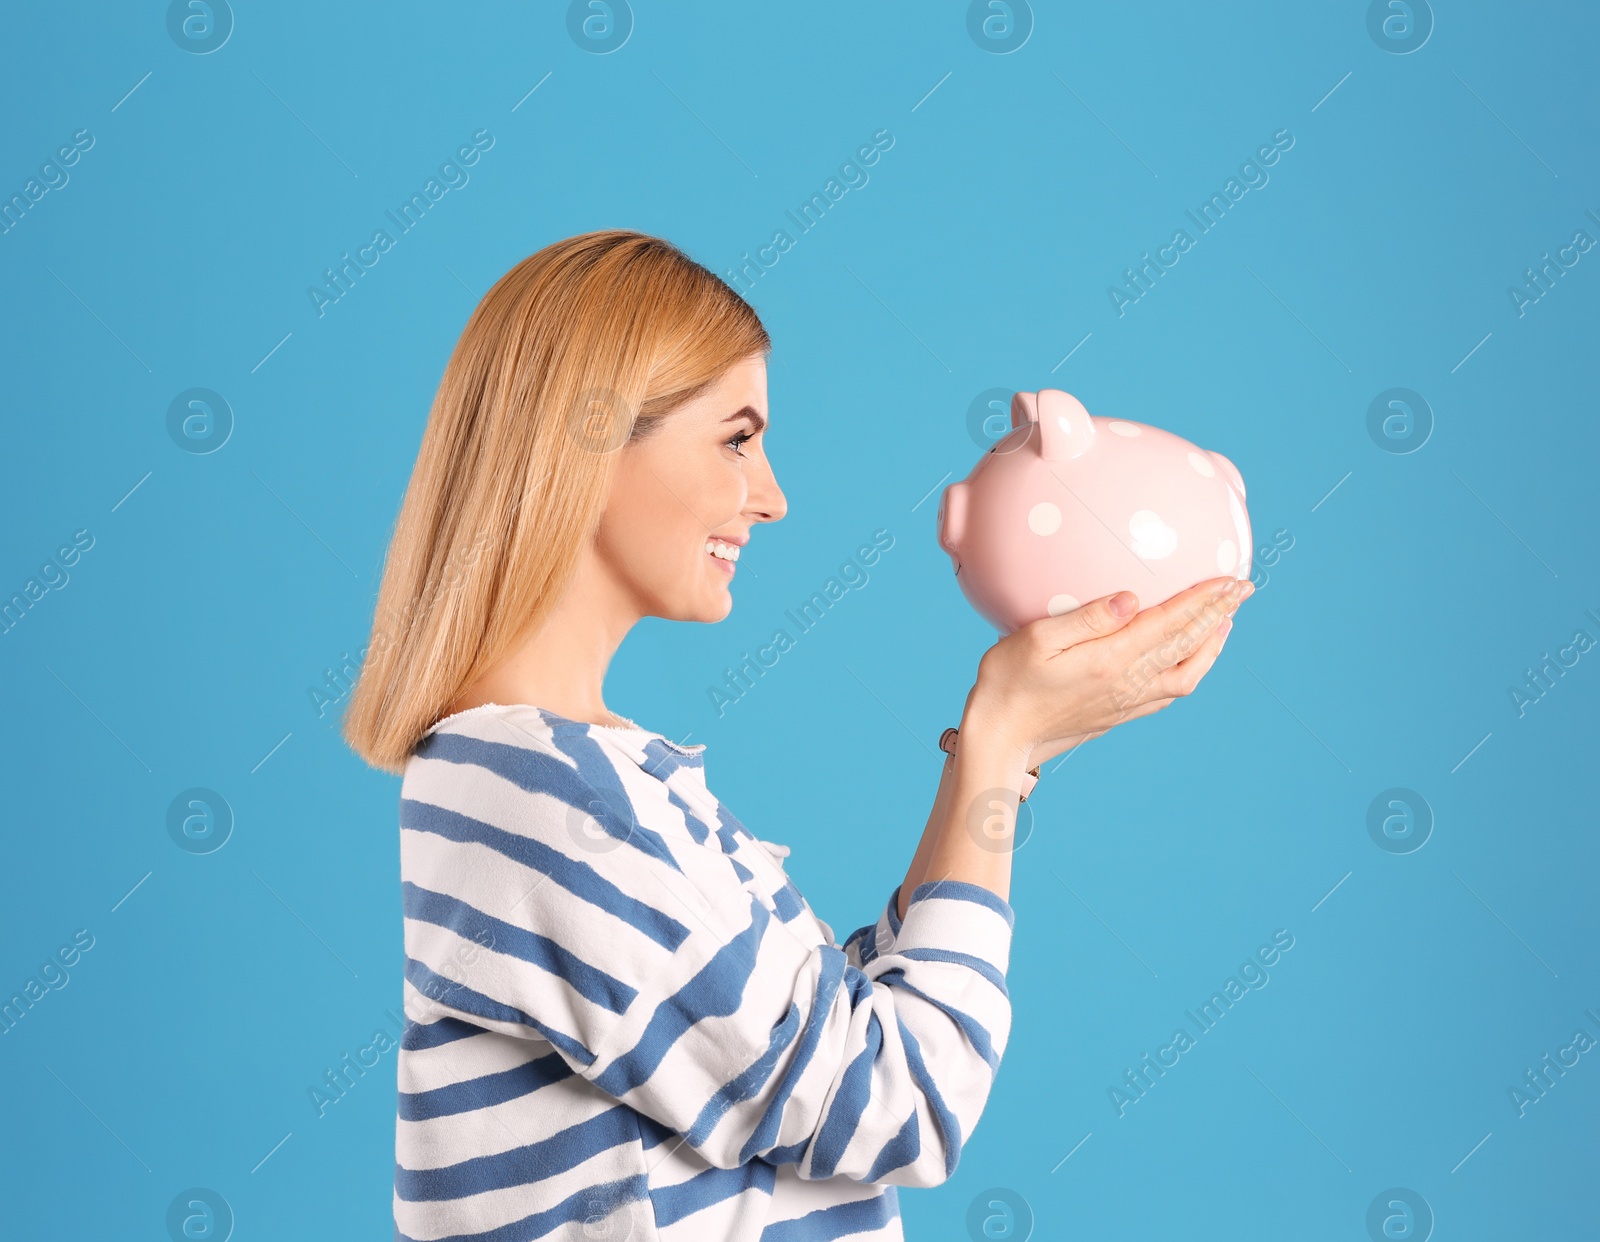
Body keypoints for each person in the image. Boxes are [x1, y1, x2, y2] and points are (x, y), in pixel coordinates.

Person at [342, 229, 1251, 1241]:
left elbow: (814, 1039)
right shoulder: (559, 808)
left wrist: (1011, 758)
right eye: (736, 438)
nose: (771, 497)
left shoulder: (558, 784)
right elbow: (900, 1105)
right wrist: (996, 740)